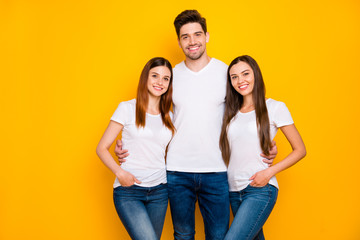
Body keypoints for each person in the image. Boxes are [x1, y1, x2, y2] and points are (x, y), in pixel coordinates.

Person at [115, 10, 277, 240]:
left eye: (197, 34)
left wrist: (265, 142)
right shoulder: (169, 76)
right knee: (183, 235)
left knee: (218, 236)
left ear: (207, 36)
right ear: (179, 42)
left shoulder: (226, 74)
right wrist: (127, 144)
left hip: (217, 171)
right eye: (185, 36)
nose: (192, 41)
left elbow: (245, 111)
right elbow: (155, 117)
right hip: (177, 172)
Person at [220, 55, 306, 240]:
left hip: (259, 188)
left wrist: (268, 173)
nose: (240, 80)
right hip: (233, 191)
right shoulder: (230, 112)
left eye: (245, 74)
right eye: (234, 77)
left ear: (255, 75)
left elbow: (300, 149)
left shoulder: (274, 107)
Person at [96, 57, 175, 240]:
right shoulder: (127, 108)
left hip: (160, 191)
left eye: (165, 78)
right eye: (155, 76)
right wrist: (119, 173)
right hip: (129, 191)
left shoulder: (169, 116)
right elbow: (101, 148)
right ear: (145, 78)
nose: (159, 82)